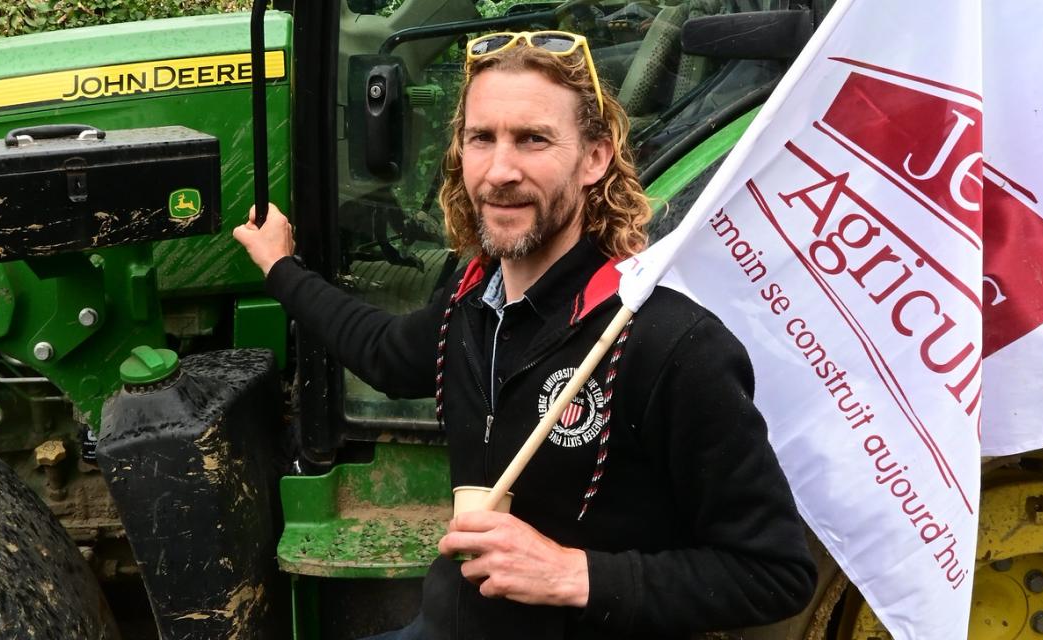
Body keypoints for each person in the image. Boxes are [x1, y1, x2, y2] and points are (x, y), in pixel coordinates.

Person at [234, 30, 816, 640]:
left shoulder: (669, 343)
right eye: (481, 138)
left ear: (595, 157)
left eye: (533, 139)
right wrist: (282, 269)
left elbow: (774, 573)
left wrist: (575, 575)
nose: (500, 170)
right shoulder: (470, 307)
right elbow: (381, 352)